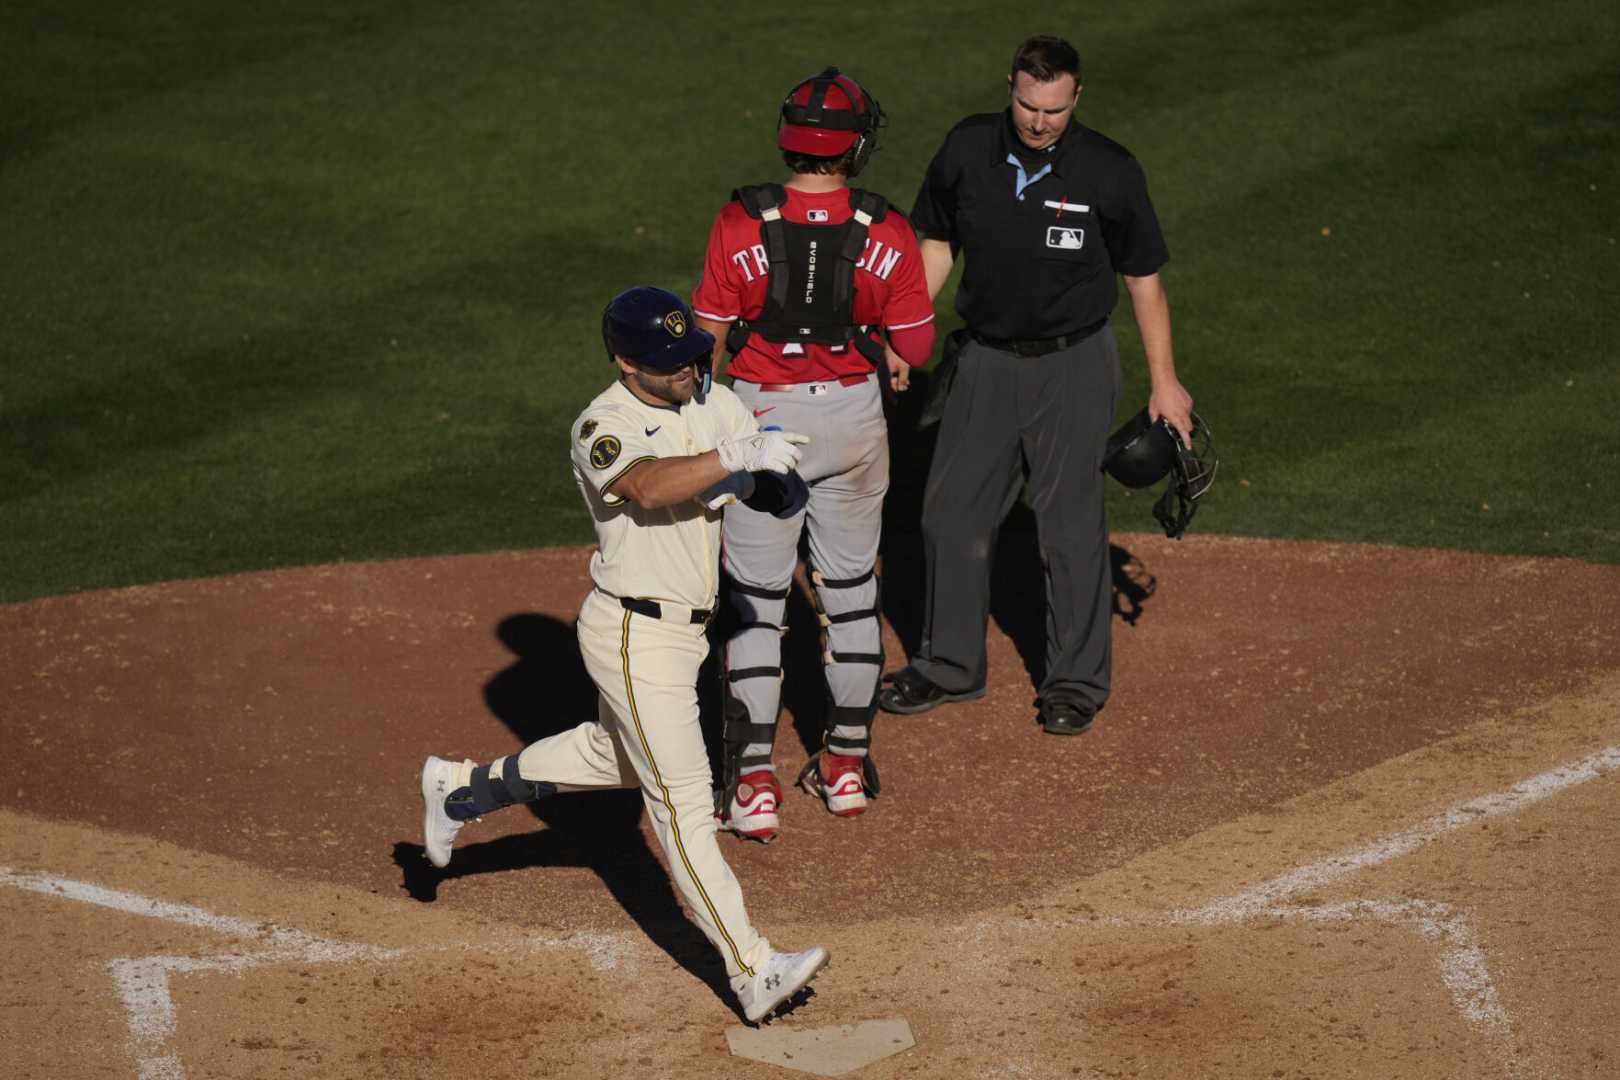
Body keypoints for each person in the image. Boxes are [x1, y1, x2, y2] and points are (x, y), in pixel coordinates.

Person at [418, 286, 827, 1024]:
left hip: (685, 636)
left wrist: (767, 476)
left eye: (694, 357)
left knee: (616, 756)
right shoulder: (601, 424)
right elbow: (645, 486)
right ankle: (753, 967)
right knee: (683, 807)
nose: (688, 372)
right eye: (671, 364)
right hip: (633, 633)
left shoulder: (716, 403)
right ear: (623, 359)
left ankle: (460, 791)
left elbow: (780, 495)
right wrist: (733, 458)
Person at [877, 34, 1195, 735]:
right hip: (986, 361)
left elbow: (1144, 283)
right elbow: (936, 243)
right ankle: (949, 666)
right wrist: (907, 332)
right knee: (950, 513)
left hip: (1073, 363)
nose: (1037, 121)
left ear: (1075, 97)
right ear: (1010, 87)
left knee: (1068, 527)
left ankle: (1074, 682)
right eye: (1027, 104)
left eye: (1052, 108)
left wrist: (1165, 384)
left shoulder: (1110, 172)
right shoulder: (967, 150)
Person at [691, 68, 935, 842]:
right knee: (854, 593)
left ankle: (754, 785)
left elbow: (707, 342)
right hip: (857, 420)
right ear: (854, 145)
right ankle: (848, 767)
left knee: (757, 604)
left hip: (765, 420)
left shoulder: (740, 222)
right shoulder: (887, 229)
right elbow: (918, 345)